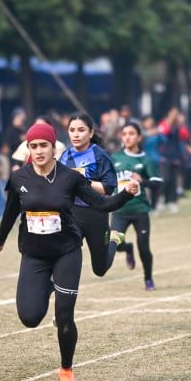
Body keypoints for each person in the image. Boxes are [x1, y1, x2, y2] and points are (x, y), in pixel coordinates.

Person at [0, 122, 138, 381]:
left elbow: (101, 204)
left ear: (53, 148)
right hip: (34, 256)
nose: (38, 151)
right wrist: (0, 240)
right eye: (33, 146)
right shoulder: (19, 179)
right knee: (30, 317)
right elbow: (11, 212)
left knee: (64, 315)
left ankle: (66, 369)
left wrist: (126, 194)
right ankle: (48, 286)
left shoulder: (69, 177)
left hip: (66, 253)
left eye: (43, 146)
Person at [59, 113, 125, 277]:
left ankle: (114, 239)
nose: (76, 134)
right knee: (65, 255)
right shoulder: (65, 156)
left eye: (81, 130)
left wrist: (83, 181)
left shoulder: (99, 155)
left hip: (96, 214)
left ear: (90, 133)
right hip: (73, 214)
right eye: (72, 130)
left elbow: (109, 188)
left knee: (100, 270)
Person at [111, 122, 163, 290]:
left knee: (144, 248)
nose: (127, 137)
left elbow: (157, 183)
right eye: (124, 134)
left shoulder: (146, 159)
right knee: (114, 243)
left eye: (131, 133)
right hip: (120, 210)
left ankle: (148, 279)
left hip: (140, 210)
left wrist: (143, 181)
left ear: (139, 137)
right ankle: (127, 248)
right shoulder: (115, 158)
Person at [157, 107, 190, 212]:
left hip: (175, 156)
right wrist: (170, 122)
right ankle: (159, 199)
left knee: (173, 181)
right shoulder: (164, 123)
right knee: (165, 179)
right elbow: (163, 132)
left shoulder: (178, 126)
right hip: (164, 156)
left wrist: (181, 124)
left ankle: (172, 201)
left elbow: (185, 135)